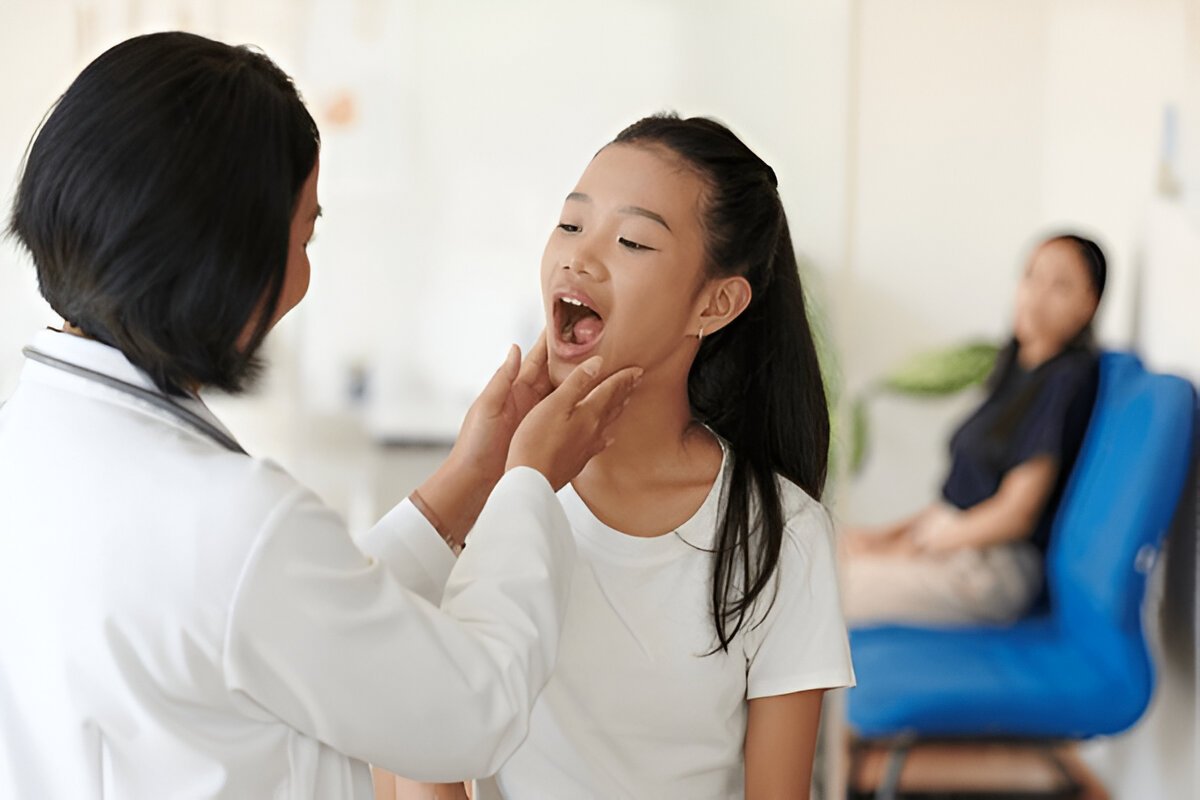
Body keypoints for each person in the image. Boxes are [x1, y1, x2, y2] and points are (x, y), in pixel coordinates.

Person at [0, 31, 643, 799]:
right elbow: (471, 711)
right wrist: (528, 482)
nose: (304, 272)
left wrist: (472, 477)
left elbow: (281, 623)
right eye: (304, 234)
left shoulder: (36, 440)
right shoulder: (229, 520)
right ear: (226, 258)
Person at [420, 114, 855, 800]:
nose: (580, 257)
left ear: (716, 303)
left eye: (630, 240)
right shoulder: (488, 490)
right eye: (570, 225)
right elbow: (414, 736)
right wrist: (492, 482)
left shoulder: (783, 532)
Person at [842, 234, 1106, 626]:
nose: (1037, 294)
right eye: (1032, 276)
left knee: (831, 589)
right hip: (954, 539)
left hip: (993, 566)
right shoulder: (1014, 372)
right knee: (822, 551)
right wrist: (884, 537)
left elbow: (1015, 515)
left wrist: (911, 548)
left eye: (1061, 285)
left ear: (1089, 306)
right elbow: (963, 495)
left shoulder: (1065, 382)